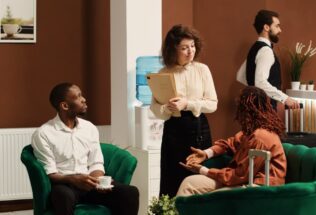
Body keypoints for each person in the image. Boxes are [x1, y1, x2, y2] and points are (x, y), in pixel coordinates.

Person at [31, 83, 139, 215]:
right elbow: (51, 173)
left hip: (90, 184)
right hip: (65, 185)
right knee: (62, 196)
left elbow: (96, 162)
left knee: (130, 192)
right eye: (78, 97)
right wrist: (74, 179)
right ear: (64, 106)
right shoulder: (44, 133)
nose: (84, 99)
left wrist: (97, 181)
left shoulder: (89, 128)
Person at [177, 86, 286, 196]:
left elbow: (240, 175)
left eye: (239, 107)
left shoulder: (260, 137)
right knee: (189, 183)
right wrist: (206, 154)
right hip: (242, 181)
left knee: (213, 198)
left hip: (258, 188)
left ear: (247, 110)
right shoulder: (250, 131)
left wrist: (203, 170)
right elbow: (229, 144)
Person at [150, 24, 218, 197]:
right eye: (184, 48)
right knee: (171, 178)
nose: (190, 51)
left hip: (198, 128)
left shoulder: (202, 70)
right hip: (173, 130)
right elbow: (155, 109)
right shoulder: (163, 72)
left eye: (193, 46)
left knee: (198, 178)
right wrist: (168, 107)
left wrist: (187, 103)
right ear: (173, 49)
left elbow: (212, 104)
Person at [236, 9, 300, 110]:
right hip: (265, 110)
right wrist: (285, 98)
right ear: (266, 27)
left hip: (253, 108)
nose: (280, 30)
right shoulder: (266, 51)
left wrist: (254, 91)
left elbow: (240, 76)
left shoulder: (254, 48)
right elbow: (260, 82)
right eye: (277, 26)